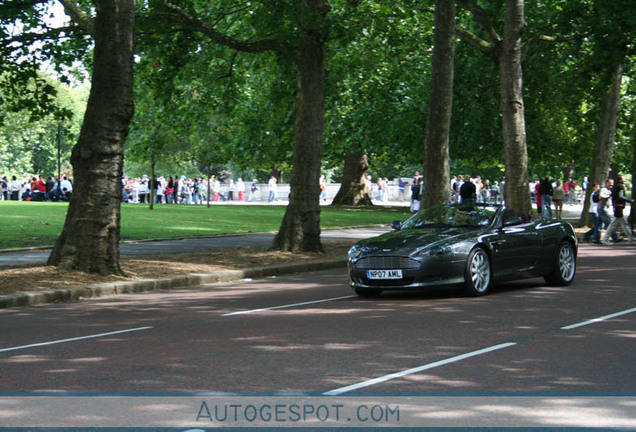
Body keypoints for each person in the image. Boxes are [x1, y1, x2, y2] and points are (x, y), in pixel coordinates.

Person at [602, 175, 635, 245]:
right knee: (613, 224)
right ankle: (605, 239)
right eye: (624, 178)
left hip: (616, 207)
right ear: (620, 180)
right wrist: (630, 200)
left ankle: (631, 238)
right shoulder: (620, 186)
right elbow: (621, 196)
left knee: (623, 223)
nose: (625, 180)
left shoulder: (616, 186)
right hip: (618, 207)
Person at [596, 178, 618, 244]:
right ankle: (614, 238)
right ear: (606, 183)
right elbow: (600, 196)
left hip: (602, 208)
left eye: (612, 183)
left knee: (599, 225)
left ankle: (595, 238)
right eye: (610, 183)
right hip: (603, 209)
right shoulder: (604, 189)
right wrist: (607, 196)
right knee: (609, 223)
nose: (611, 185)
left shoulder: (609, 190)